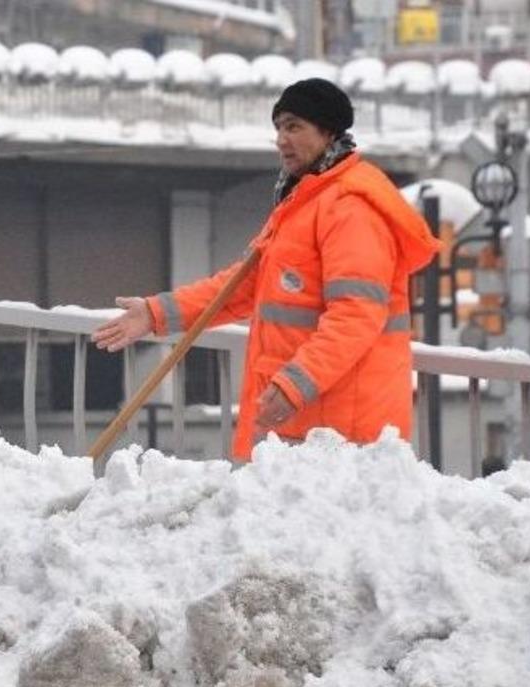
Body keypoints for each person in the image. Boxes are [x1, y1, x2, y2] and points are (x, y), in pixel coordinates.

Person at [92, 78, 442, 460]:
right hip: (308, 424)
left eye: (294, 126)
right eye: (278, 128)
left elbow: (355, 315)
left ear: (328, 132)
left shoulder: (350, 208)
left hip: (342, 434)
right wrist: (157, 313)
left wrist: (295, 384)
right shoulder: (305, 201)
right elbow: (244, 285)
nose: (281, 140)